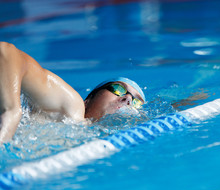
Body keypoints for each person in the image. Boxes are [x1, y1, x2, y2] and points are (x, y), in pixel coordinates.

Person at [0, 42, 146, 143]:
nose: (127, 98)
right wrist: (11, 110)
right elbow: (7, 51)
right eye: (118, 89)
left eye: (137, 102)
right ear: (88, 100)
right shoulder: (71, 109)